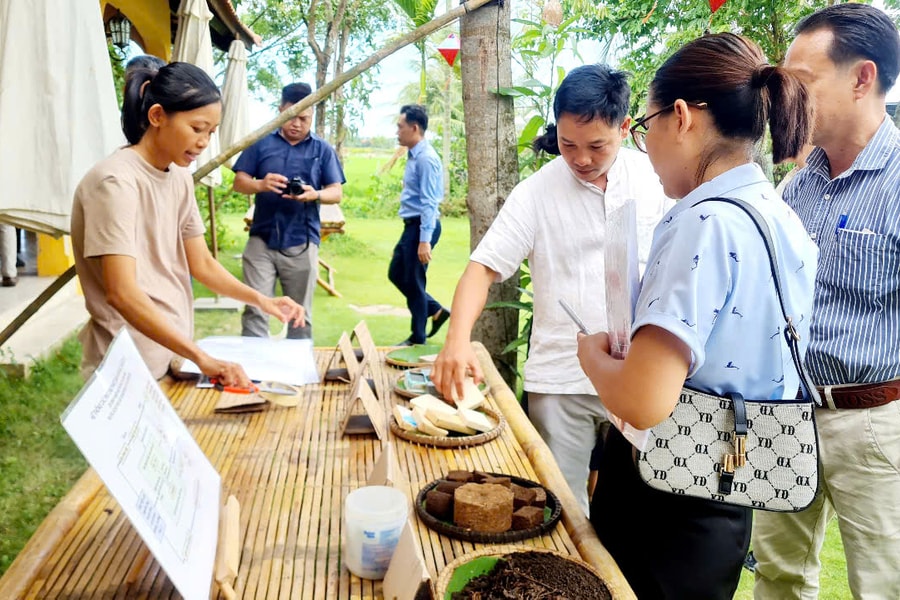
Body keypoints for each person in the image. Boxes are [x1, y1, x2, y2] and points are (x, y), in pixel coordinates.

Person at [575, 33, 817, 598]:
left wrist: (592, 359)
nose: (647, 145)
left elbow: (643, 400)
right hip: (733, 483)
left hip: (664, 498)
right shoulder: (781, 217)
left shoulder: (701, 221)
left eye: (646, 126)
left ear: (681, 117)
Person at [431, 65, 671, 515]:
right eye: (567, 144)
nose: (581, 159)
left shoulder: (657, 180)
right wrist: (457, 340)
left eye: (596, 146)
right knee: (562, 509)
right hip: (561, 380)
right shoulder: (535, 194)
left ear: (624, 127)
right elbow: (481, 269)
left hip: (643, 377)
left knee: (641, 515)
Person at [752, 5, 900, 598]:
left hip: (873, 423)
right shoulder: (797, 183)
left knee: (884, 584)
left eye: (803, 83)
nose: (786, 100)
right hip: (785, 413)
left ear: (862, 78)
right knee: (777, 575)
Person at [71, 61, 304, 386]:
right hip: (127, 367)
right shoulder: (114, 182)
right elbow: (121, 293)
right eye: (197, 128)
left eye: (211, 132)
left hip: (171, 357)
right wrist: (200, 357)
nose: (204, 142)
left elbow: (202, 264)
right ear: (157, 116)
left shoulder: (179, 177)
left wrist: (261, 300)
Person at [232, 83, 345, 340]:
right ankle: (253, 364)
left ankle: (298, 364)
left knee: (299, 316)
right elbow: (239, 182)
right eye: (292, 116)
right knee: (255, 309)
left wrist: (314, 194)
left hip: (302, 241)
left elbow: (336, 192)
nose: (296, 124)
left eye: (304, 118)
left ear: (312, 115)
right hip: (261, 238)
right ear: (280, 110)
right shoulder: (260, 142)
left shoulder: (322, 150)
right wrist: (260, 185)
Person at [389, 104, 450, 346]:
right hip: (412, 226)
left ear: (414, 128)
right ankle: (435, 310)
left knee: (414, 281)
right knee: (396, 273)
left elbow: (429, 203)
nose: (397, 132)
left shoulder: (425, 159)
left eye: (400, 127)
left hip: (422, 226)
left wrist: (424, 241)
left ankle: (418, 339)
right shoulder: (414, 155)